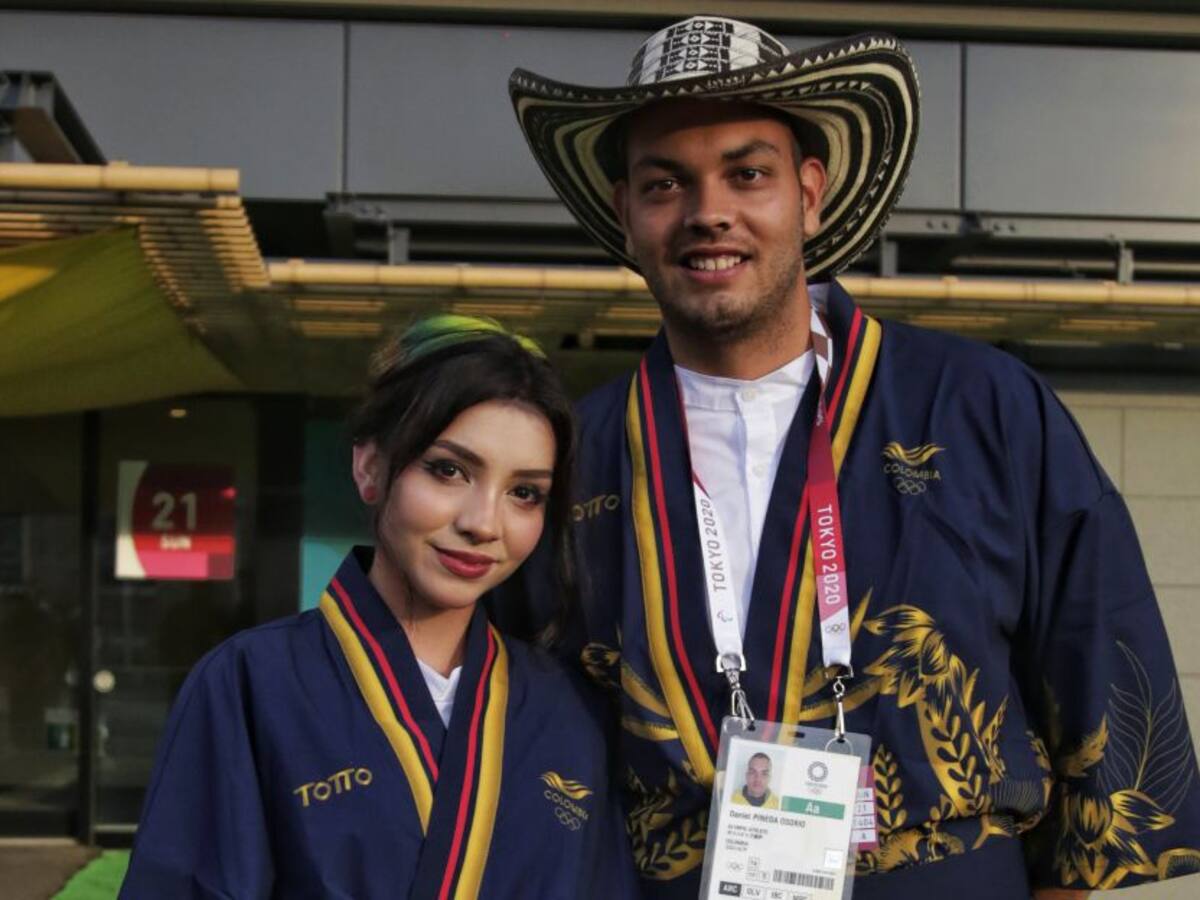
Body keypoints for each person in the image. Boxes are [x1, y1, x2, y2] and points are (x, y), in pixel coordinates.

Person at [505, 14, 1200, 899]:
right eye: (664, 183)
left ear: (810, 192)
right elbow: (519, 733)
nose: (707, 211)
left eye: (747, 174)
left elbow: (1101, 670)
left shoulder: (983, 406)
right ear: (626, 214)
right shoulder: (570, 456)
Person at [120, 316, 637, 899]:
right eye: (449, 470)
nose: (483, 523)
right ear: (370, 467)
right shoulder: (249, 684)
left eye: (525, 493)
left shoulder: (571, 710)